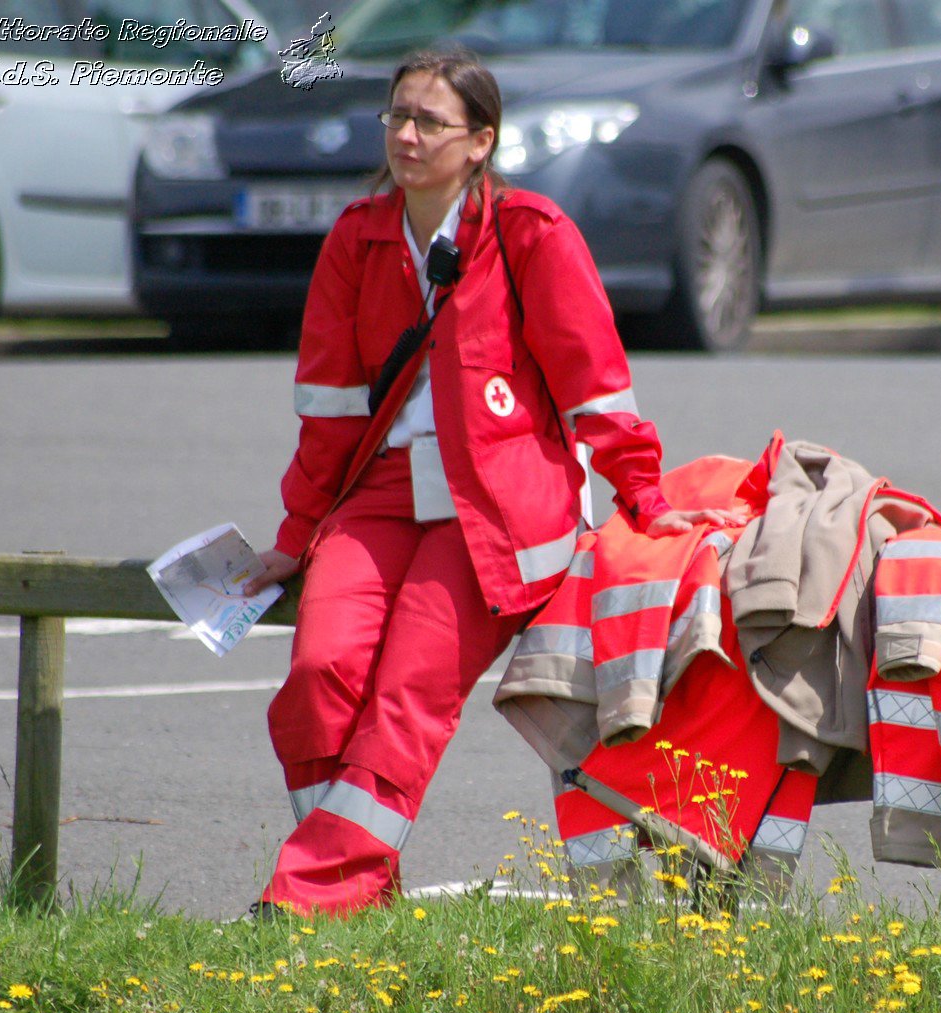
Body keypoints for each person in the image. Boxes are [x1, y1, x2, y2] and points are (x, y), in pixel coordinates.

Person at [242, 48, 738, 917]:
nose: (406, 134)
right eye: (397, 115)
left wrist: (645, 500)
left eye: (430, 121)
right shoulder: (357, 237)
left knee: (406, 693)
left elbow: (599, 391)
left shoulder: (533, 233)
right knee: (318, 674)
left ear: (481, 142)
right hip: (383, 493)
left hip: (498, 509)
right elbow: (328, 414)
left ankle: (308, 899)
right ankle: (356, 888)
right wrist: (295, 539)